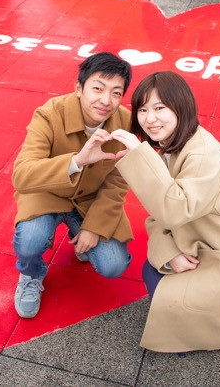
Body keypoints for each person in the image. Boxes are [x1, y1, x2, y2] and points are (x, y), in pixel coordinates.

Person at [110, 71, 220, 352]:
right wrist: (170, 252)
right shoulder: (175, 146)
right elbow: (159, 212)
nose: (149, 118)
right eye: (142, 110)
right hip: (214, 242)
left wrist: (140, 156)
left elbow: (173, 210)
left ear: (181, 107)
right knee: (156, 271)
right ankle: (195, 324)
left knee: (161, 283)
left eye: (159, 108)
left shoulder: (202, 153)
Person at [11, 52, 134, 318]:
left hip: (90, 200)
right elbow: (21, 175)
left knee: (114, 265)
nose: (106, 100)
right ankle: (31, 274)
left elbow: (118, 181)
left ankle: (79, 233)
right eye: (98, 88)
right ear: (79, 88)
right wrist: (77, 161)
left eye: (116, 92)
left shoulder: (126, 123)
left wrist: (94, 226)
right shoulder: (49, 114)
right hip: (48, 194)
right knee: (30, 242)